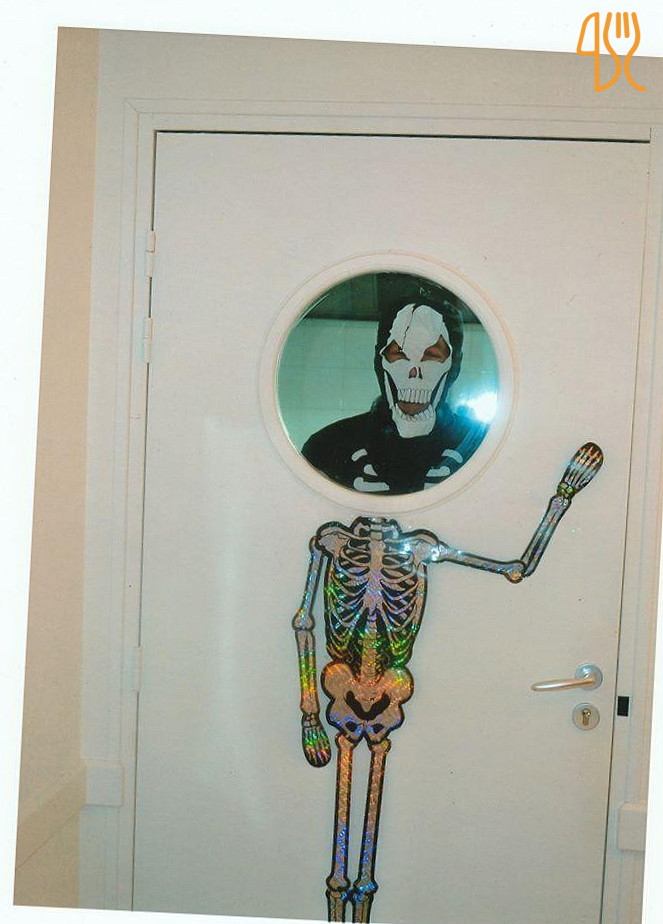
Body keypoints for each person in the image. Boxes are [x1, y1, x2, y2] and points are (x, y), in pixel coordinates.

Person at [302, 280, 487, 495]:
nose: (414, 372)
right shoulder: (327, 447)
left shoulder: (482, 445)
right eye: (399, 355)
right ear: (379, 362)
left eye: (431, 356)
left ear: (454, 366)